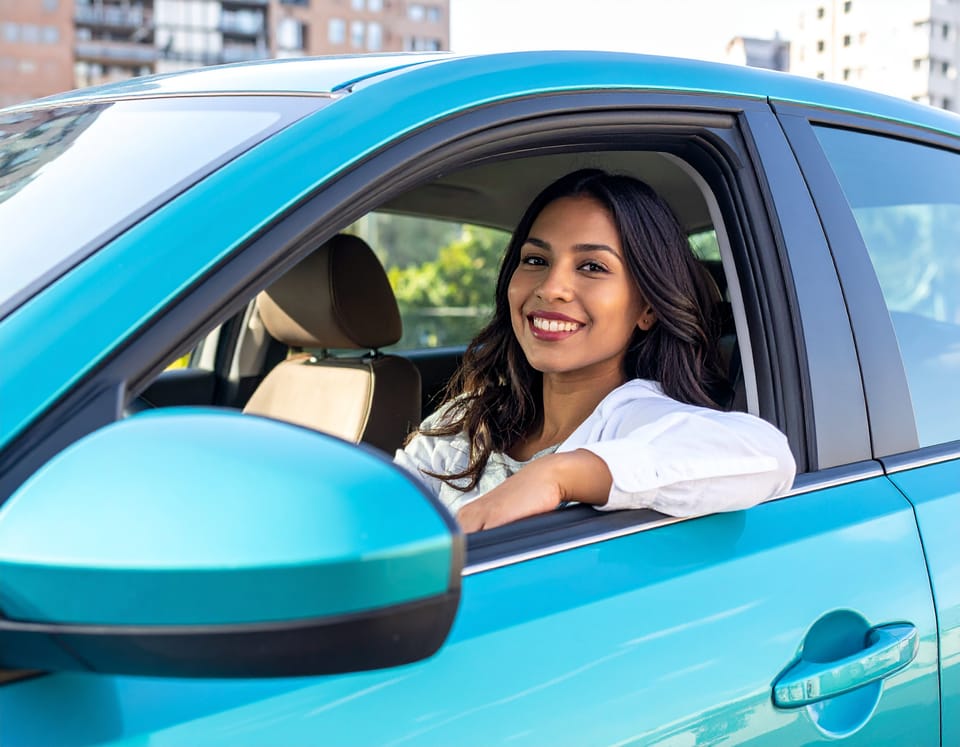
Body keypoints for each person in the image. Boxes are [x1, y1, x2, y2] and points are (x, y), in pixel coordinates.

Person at [394, 169, 796, 532]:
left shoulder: (639, 419)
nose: (551, 288)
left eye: (592, 267)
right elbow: (387, 525)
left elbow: (768, 457)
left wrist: (557, 475)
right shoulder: (465, 419)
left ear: (648, 308)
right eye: (536, 259)